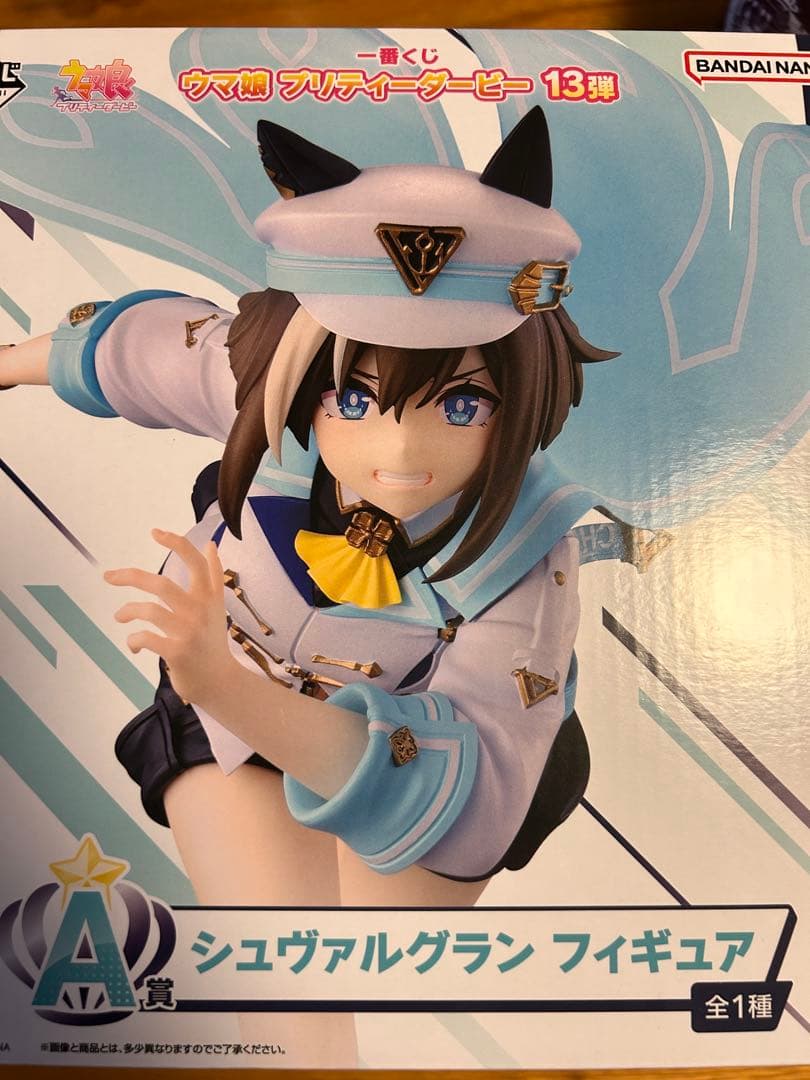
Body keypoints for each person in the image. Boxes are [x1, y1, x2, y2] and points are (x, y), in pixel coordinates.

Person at [0, 106, 617, 912]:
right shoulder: (278, 401)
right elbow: (138, 350)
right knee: (278, 960)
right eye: (353, 400)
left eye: (463, 405)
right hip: (225, 703)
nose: (399, 452)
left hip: (426, 765)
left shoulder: (526, 556)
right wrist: (8, 362)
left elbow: (474, 791)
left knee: (376, 963)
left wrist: (223, 684)